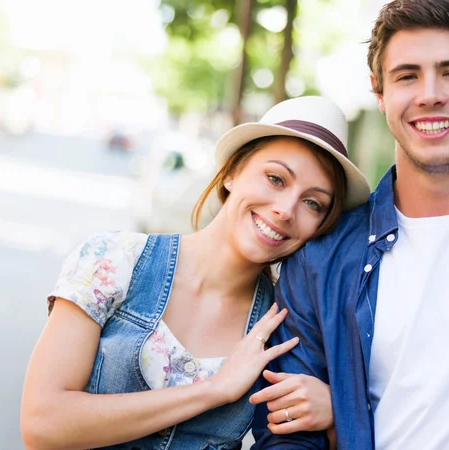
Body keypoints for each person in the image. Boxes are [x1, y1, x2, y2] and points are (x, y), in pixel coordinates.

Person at [251, 1, 449, 449]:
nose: (430, 94)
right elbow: (284, 433)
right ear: (379, 92)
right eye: (407, 75)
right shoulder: (322, 259)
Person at [20, 96, 370, 450]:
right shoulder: (113, 261)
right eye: (276, 179)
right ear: (232, 172)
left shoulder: (285, 325)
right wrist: (213, 390)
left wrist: (338, 412)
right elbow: (43, 423)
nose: (285, 210)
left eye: (313, 203)